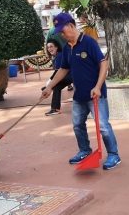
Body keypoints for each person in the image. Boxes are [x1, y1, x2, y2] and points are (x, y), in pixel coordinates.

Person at [40, 12, 121, 170]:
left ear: (71, 26)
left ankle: (113, 154)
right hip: (79, 95)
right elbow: (63, 69)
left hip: (95, 94)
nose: (62, 35)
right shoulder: (66, 48)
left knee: (103, 125)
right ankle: (84, 150)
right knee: (77, 124)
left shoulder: (88, 42)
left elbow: (103, 64)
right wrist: (50, 86)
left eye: (62, 31)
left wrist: (97, 87)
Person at [42, 38, 73, 116]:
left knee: (55, 86)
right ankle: (55, 109)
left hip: (72, 75)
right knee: (56, 87)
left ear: (56, 47)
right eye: (48, 47)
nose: (49, 49)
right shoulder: (56, 56)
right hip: (68, 75)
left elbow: (58, 71)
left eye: (51, 46)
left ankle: (55, 109)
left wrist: (49, 84)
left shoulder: (59, 55)